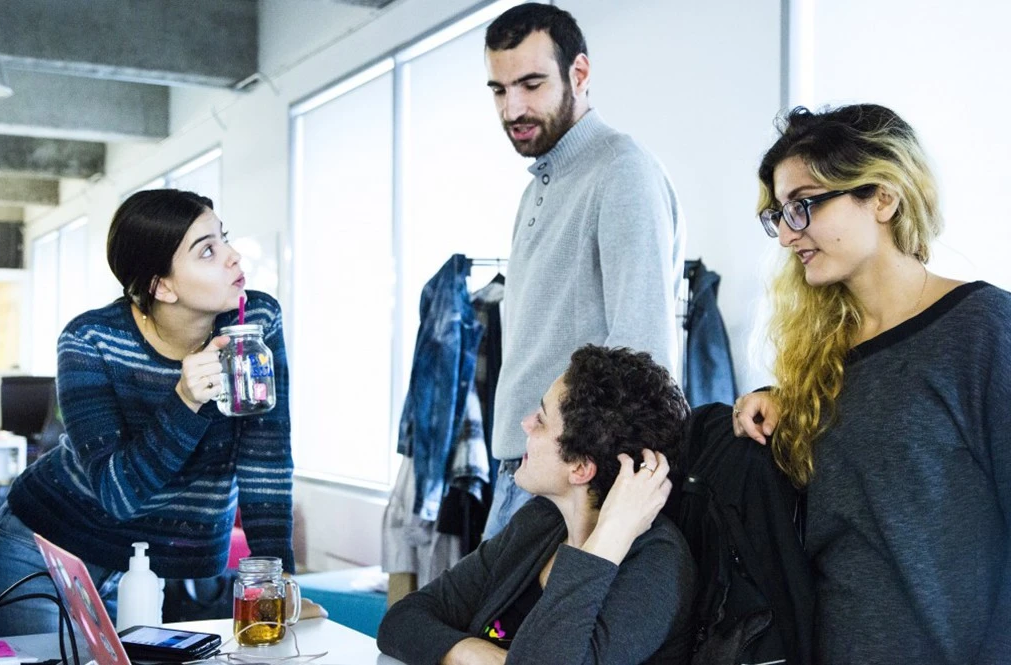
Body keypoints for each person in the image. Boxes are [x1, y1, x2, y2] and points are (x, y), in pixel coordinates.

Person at [732, 104, 1011, 664]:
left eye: (804, 205)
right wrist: (779, 402)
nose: (786, 235)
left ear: (882, 198)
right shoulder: (819, 360)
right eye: (780, 214)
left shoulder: (983, 329)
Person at [0, 189, 313, 636]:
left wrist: (277, 580)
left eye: (224, 238)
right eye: (207, 251)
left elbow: (265, 459)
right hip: (46, 551)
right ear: (163, 286)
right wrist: (185, 401)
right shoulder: (91, 340)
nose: (233, 256)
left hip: (152, 570)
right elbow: (117, 494)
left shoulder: (255, 321)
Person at [482, 3, 686, 538]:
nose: (513, 108)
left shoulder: (622, 172)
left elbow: (643, 357)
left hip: (571, 485)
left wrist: (602, 513)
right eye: (500, 90)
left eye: (531, 84)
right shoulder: (537, 187)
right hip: (525, 469)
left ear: (580, 73)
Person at [378, 345, 696, 665]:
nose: (526, 424)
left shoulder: (656, 570)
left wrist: (606, 541)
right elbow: (403, 619)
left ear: (580, 468)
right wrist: (473, 652)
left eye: (541, 420)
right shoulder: (540, 521)